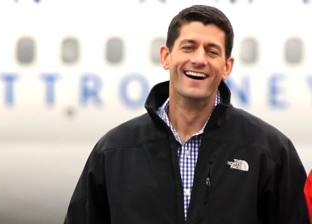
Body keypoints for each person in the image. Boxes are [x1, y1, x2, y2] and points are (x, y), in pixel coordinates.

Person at [65, 5, 309, 224]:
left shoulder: (269, 152)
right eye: (188, 47)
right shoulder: (114, 151)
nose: (199, 59)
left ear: (227, 67)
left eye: (212, 51)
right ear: (166, 57)